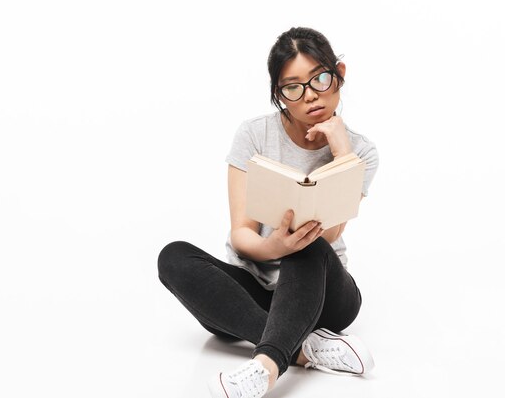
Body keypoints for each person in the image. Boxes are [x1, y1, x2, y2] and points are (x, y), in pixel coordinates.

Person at [158, 26, 379, 398]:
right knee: (173, 257)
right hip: (257, 293)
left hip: (326, 294)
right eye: (294, 87)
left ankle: (266, 366)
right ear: (279, 95)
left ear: (339, 74)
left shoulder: (361, 151)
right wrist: (274, 247)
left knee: (307, 242)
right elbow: (241, 234)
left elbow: (333, 232)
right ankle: (307, 350)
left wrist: (342, 154)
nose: (310, 96)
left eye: (320, 79)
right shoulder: (253, 135)